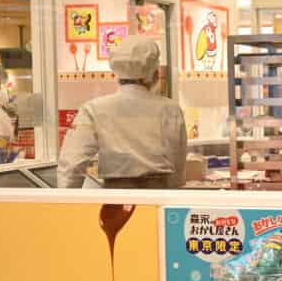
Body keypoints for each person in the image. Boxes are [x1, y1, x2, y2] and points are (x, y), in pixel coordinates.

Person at [58, 35, 187, 189]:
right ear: (154, 73)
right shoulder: (171, 109)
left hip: (116, 196)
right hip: (159, 194)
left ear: (116, 72)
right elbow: (177, 165)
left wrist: (67, 198)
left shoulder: (93, 109)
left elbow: (71, 166)